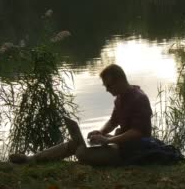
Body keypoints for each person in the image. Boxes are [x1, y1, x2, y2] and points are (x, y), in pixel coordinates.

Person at [9, 64, 153, 166]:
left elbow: (138, 132)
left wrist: (108, 140)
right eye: (106, 86)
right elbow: (113, 121)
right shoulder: (120, 98)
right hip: (119, 145)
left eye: (109, 85)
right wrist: (101, 132)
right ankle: (32, 159)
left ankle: (92, 157)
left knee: (81, 153)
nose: (107, 90)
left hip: (133, 151)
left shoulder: (138, 98)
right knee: (75, 143)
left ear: (121, 80)